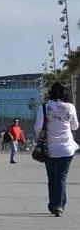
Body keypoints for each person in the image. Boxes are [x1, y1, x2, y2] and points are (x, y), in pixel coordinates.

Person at [35, 82, 79, 217]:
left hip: (49, 149)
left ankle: (53, 203)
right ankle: (59, 205)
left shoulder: (44, 107)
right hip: (66, 148)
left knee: (52, 177)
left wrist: (39, 141)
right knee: (61, 177)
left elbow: (37, 127)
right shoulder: (70, 107)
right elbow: (75, 126)